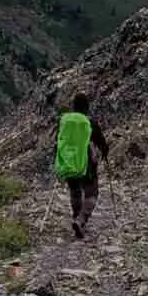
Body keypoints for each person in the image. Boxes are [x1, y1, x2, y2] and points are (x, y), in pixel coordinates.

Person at [54, 92, 109, 238]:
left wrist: (59, 158)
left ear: (73, 106)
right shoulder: (89, 122)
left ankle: (75, 216)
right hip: (87, 163)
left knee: (75, 191)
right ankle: (81, 219)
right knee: (92, 193)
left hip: (69, 161)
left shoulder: (64, 121)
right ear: (87, 107)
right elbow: (102, 143)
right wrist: (104, 153)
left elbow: (59, 140)